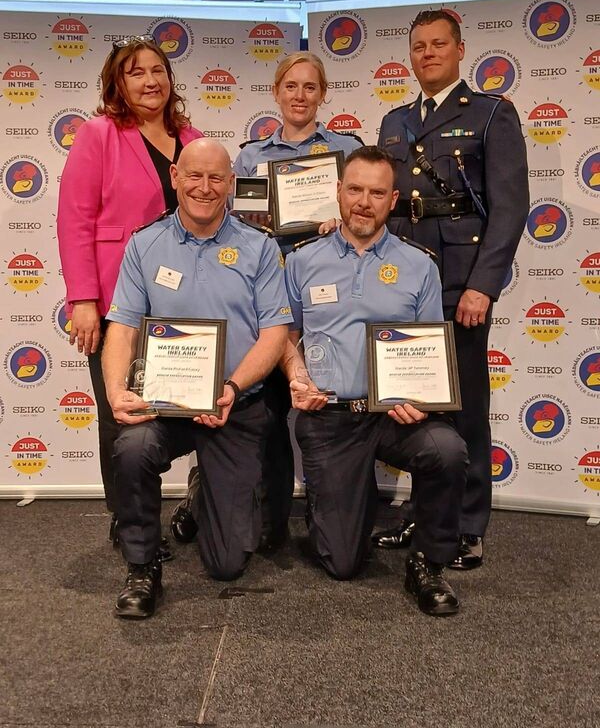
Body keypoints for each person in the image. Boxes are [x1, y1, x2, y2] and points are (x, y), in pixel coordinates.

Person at [170, 52, 363, 551]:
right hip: (264, 294)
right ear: (276, 92)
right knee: (267, 411)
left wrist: (339, 222)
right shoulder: (251, 157)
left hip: (328, 298)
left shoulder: (346, 149)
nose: (300, 96)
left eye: (310, 87)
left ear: (323, 94)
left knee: (327, 409)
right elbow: (225, 220)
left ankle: (336, 519)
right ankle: (265, 519)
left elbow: (366, 209)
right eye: (291, 86)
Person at [103, 138, 292, 619]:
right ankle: (143, 566)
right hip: (165, 403)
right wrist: (114, 391)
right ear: (174, 178)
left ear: (231, 182)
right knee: (131, 447)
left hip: (234, 405)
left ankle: (204, 489)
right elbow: (122, 326)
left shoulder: (260, 247)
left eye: (215, 178)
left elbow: (274, 333)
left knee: (228, 565)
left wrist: (229, 389)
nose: (204, 188)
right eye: (193, 176)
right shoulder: (145, 244)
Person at [281, 146, 468, 616]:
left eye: (377, 193)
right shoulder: (302, 261)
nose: (364, 201)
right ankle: (341, 507)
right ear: (338, 192)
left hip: (392, 416)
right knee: (342, 563)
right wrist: (296, 375)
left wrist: (422, 400)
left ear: (393, 200)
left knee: (447, 449)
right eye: (356, 189)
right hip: (330, 417)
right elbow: (284, 335)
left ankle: (428, 562)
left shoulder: (419, 264)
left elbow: (429, 351)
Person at [373, 10, 529, 568]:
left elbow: (510, 209)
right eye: (419, 47)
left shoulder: (491, 115)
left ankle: (465, 524)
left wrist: (483, 286)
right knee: (415, 405)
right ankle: (423, 513)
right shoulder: (394, 123)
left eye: (439, 44)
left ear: (460, 50)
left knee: (463, 408)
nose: (428, 54)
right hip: (403, 283)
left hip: (459, 283)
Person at [56, 36, 203, 551]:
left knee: (186, 411)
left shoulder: (191, 137)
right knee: (121, 412)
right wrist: (84, 299)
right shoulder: (99, 135)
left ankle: (198, 503)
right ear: (118, 83)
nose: (150, 81)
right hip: (119, 301)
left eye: (158, 70)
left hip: (187, 303)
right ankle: (129, 520)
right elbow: (75, 220)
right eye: (136, 72)